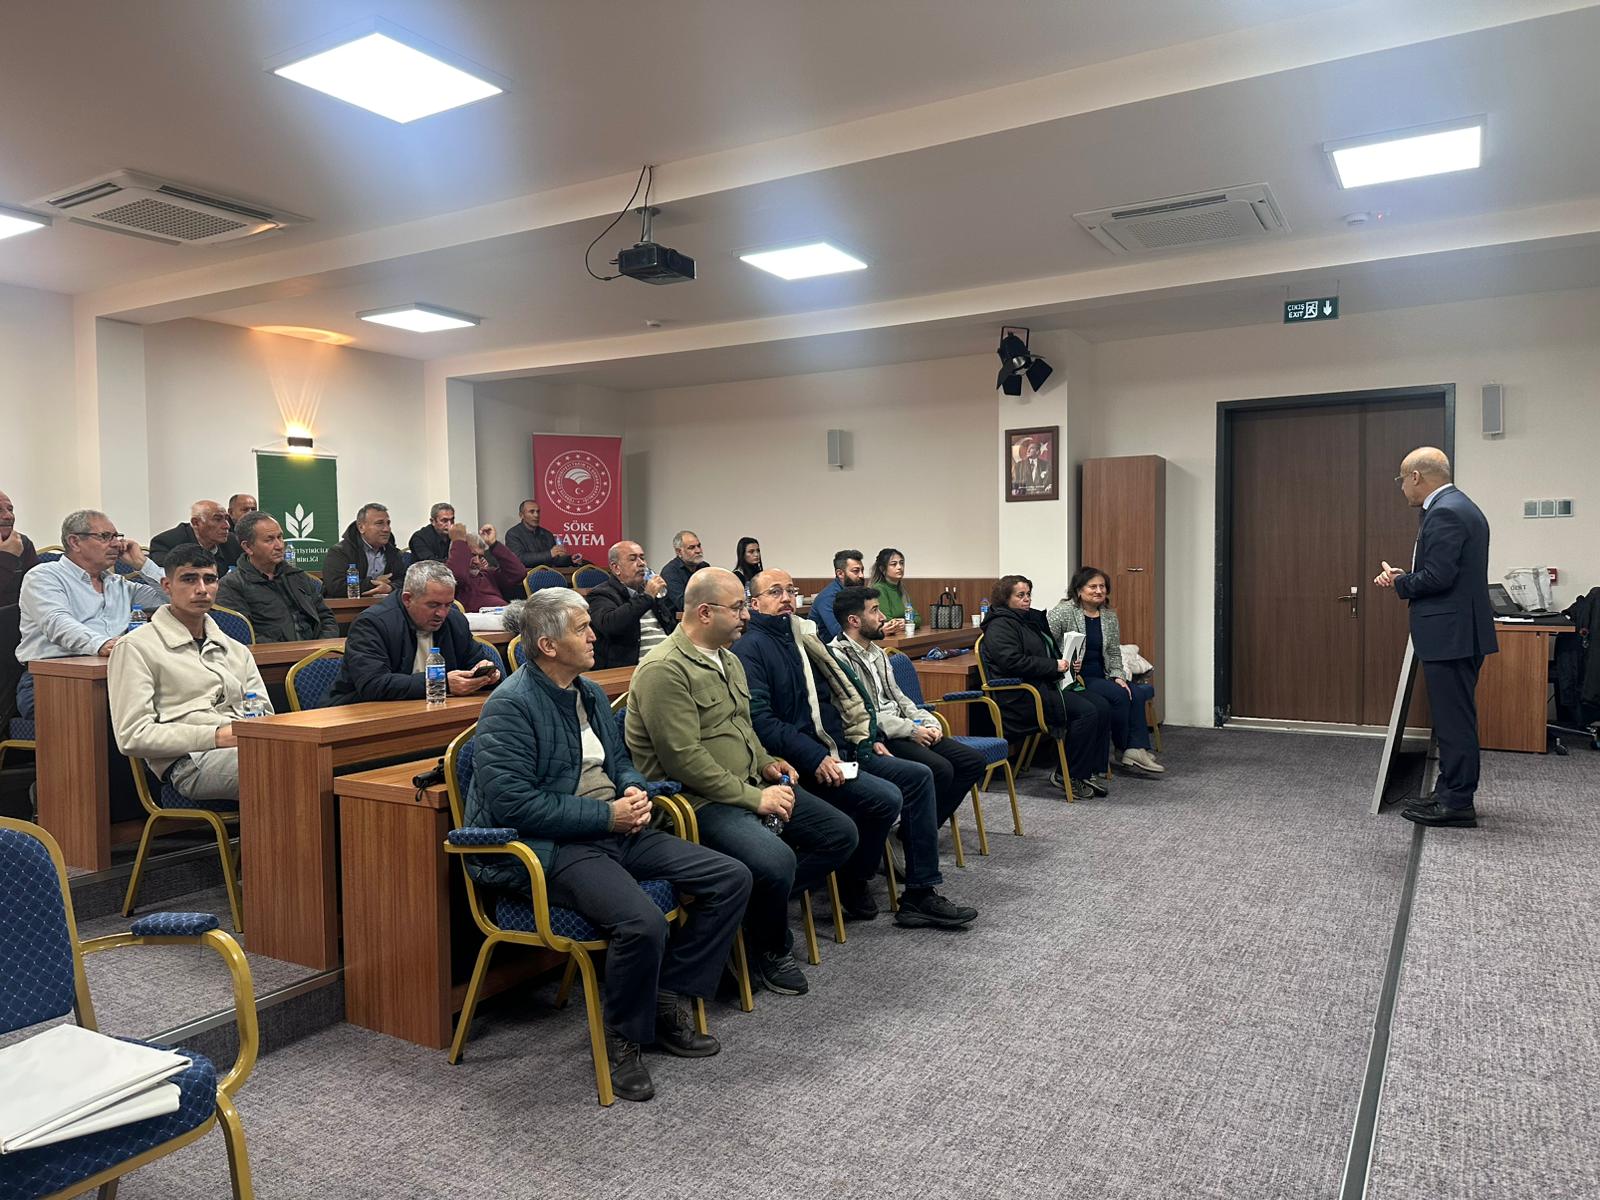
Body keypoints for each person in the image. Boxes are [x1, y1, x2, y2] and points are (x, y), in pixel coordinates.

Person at [466, 589, 751, 1102]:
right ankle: (624, 1038)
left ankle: (665, 995)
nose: (595, 635)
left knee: (730, 878)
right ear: (548, 645)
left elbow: (618, 762)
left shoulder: (590, 693)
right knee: (641, 922)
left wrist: (633, 790)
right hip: (553, 847)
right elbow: (515, 806)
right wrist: (607, 815)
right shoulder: (509, 705)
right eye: (582, 628)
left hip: (615, 828)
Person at [626, 568, 856, 997]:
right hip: (696, 802)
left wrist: (767, 762)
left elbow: (743, 728)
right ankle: (771, 946)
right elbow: (684, 760)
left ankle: (751, 915)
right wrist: (756, 798)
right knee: (777, 861)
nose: (746, 615)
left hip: (747, 784)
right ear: (705, 612)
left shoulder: (728, 658)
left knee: (839, 834)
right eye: (737, 608)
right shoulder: (664, 669)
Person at [735, 568, 976, 929]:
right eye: (774, 592)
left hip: (841, 749)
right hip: (800, 762)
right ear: (754, 604)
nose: (786, 598)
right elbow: (764, 723)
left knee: (918, 777)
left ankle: (916, 893)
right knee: (888, 796)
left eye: (790, 590)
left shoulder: (803, 638)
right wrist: (818, 757)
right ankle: (855, 878)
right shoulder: (751, 649)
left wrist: (867, 737)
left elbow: (840, 701)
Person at [1375, 447, 1497, 829]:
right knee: (1453, 718)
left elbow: (1439, 578)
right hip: (1458, 632)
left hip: (1451, 635)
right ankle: (1449, 792)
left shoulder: (1445, 511)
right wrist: (1408, 575)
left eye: (1401, 480)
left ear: (1416, 477)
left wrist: (1400, 583)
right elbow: (1446, 572)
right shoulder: (1460, 506)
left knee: (1454, 721)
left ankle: (1456, 802)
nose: (1402, 488)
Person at [108, 544, 270, 803]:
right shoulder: (136, 647)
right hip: (188, 761)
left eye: (210, 579)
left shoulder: (236, 649)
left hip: (246, 747)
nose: (202, 589)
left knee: (315, 760)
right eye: (189, 579)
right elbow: (132, 736)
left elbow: (266, 715)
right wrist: (216, 736)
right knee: (283, 768)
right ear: (167, 585)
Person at [830, 585, 986, 836]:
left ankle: (914, 830)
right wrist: (912, 730)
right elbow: (861, 714)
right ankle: (915, 835)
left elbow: (900, 699)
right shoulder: (837, 658)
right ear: (854, 621)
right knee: (940, 769)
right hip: (881, 735)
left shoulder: (877, 653)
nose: (883, 617)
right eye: (875, 611)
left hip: (905, 727)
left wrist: (928, 722)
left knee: (972, 762)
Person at [15, 510, 165, 719]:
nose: (116, 544)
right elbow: (57, 623)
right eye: (106, 536)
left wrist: (143, 564)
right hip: (51, 679)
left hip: (115, 675)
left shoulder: (119, 584)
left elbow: (175, 599)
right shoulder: (44, 576)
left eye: (117, 536)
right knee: (118, 715)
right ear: (75, 542)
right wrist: (103, 644)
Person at [979, 574, 1111, 798]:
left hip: (1043, 686)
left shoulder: (1029, 620)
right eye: (1020, 595)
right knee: (1087, 712)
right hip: (1022, 696)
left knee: (1102, 705)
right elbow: (1012, 662)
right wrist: (1054, 666)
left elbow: (1046, 652)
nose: (1027, 599)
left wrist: (1067, 662)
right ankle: (1069, 775)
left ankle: (1088, 770)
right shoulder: (999, 625)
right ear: (1005, 598)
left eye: (1028, 594)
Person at [326, 560, 501, 705]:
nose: (442, 613)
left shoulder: (454, 621)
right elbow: (373, 684)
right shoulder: (372, 624)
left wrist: (487, 675)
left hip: (430, 710)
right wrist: (442, 683)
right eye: (433, 605)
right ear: (407, 599)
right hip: (361, 715)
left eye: (448, 605)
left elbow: (475, 661)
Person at [1048, 568, 1164, 775]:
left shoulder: (1109, 616)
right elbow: (1046, 642)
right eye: (1093, 586)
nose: (1099, 591)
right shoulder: (1063, 611)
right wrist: (1060, 662)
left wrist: (1118, 675)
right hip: (1078, 677)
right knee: (1120, 695)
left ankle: (1135, 748)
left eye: (1102, 586)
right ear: (1079, 590)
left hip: (1102, 674)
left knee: (1136, 693)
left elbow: (1113, 651)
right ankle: (1125, 748)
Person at [215, 511, 339, 642]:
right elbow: (242, 634)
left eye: (280, 537)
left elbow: (327, 618)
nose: (279, 546)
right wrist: (288, 651)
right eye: (269, 540)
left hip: (317, 649)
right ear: (247, 547)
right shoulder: (231, 586)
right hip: (272, 653)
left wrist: (322, 645)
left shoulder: (298, 576)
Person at [585, 540, 677, 669]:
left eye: (642, 558)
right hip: (631, 667)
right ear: (616, 568)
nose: (641, 564)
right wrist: (646, 597)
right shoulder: (600, 594)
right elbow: (611, 625)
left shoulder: (647, 593)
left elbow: (670, 627)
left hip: (667, 663)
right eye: (633, 559)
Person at [321, 502, 403, 597]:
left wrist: (390, 588)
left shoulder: (394, 553)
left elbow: (404, 581)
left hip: (386, 603)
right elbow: (336, 587)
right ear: (361, 528)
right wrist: (373, 583)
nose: (386, 529)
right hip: (348, 604)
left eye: (388, 523)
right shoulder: (340, 552)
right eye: (379, 523)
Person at [148, 500, 243, 573]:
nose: (227, 526)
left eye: (226, 519)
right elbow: (167, 581)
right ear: (196, 523)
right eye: (218, 519)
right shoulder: (166, 543)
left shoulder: (232, 542)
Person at [446, 523, 521, 612]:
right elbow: (458, 576)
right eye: (472, 555)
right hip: (478, 618)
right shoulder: (452, 579)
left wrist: (494, 544)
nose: (477, 561)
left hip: (505, 614)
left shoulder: (488, 574)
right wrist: (459, 541)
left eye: (480, 557)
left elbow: (518, 573)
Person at [506, 500, 582, 569]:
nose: (536, 515)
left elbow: (555, 560)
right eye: (532, 512)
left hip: (548, 576)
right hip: (526, 577)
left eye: (538, 511)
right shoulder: (513, 534)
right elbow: (520, 559)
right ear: (521, 515)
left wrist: (570, 560)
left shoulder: (547, 534)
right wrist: (550, 554)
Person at [810, 549, 865, 642]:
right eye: (856, 571)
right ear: (840, 574)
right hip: (828, 648)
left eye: (862, 570)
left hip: (852, 645)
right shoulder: (828, 597)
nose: (861, 575)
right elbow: (838, 633)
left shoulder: (855, 592)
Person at [0, 489, 39, 608]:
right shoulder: (15, 547)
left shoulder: (22, 543)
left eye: (10, 509)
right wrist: (7, 556)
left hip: (22, 616)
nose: (9, 516)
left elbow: (38, 588)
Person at [660, 530, 707, 613]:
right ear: (679, 552)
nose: (698, 551)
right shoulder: (670, 572)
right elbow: (683, 604)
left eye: (699, 546)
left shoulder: (704, 567)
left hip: (701, 614)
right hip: (678, 618)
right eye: (691, 548)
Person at [870, 547, 909, 636]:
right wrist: (907, 622)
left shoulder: (901, 588)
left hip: (901, 636)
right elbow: (887, 620)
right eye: (893, 564)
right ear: (882, 569)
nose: (899, 567)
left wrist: (906, 622)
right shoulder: (879, 588)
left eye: (901, 563)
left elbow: (917, 618)